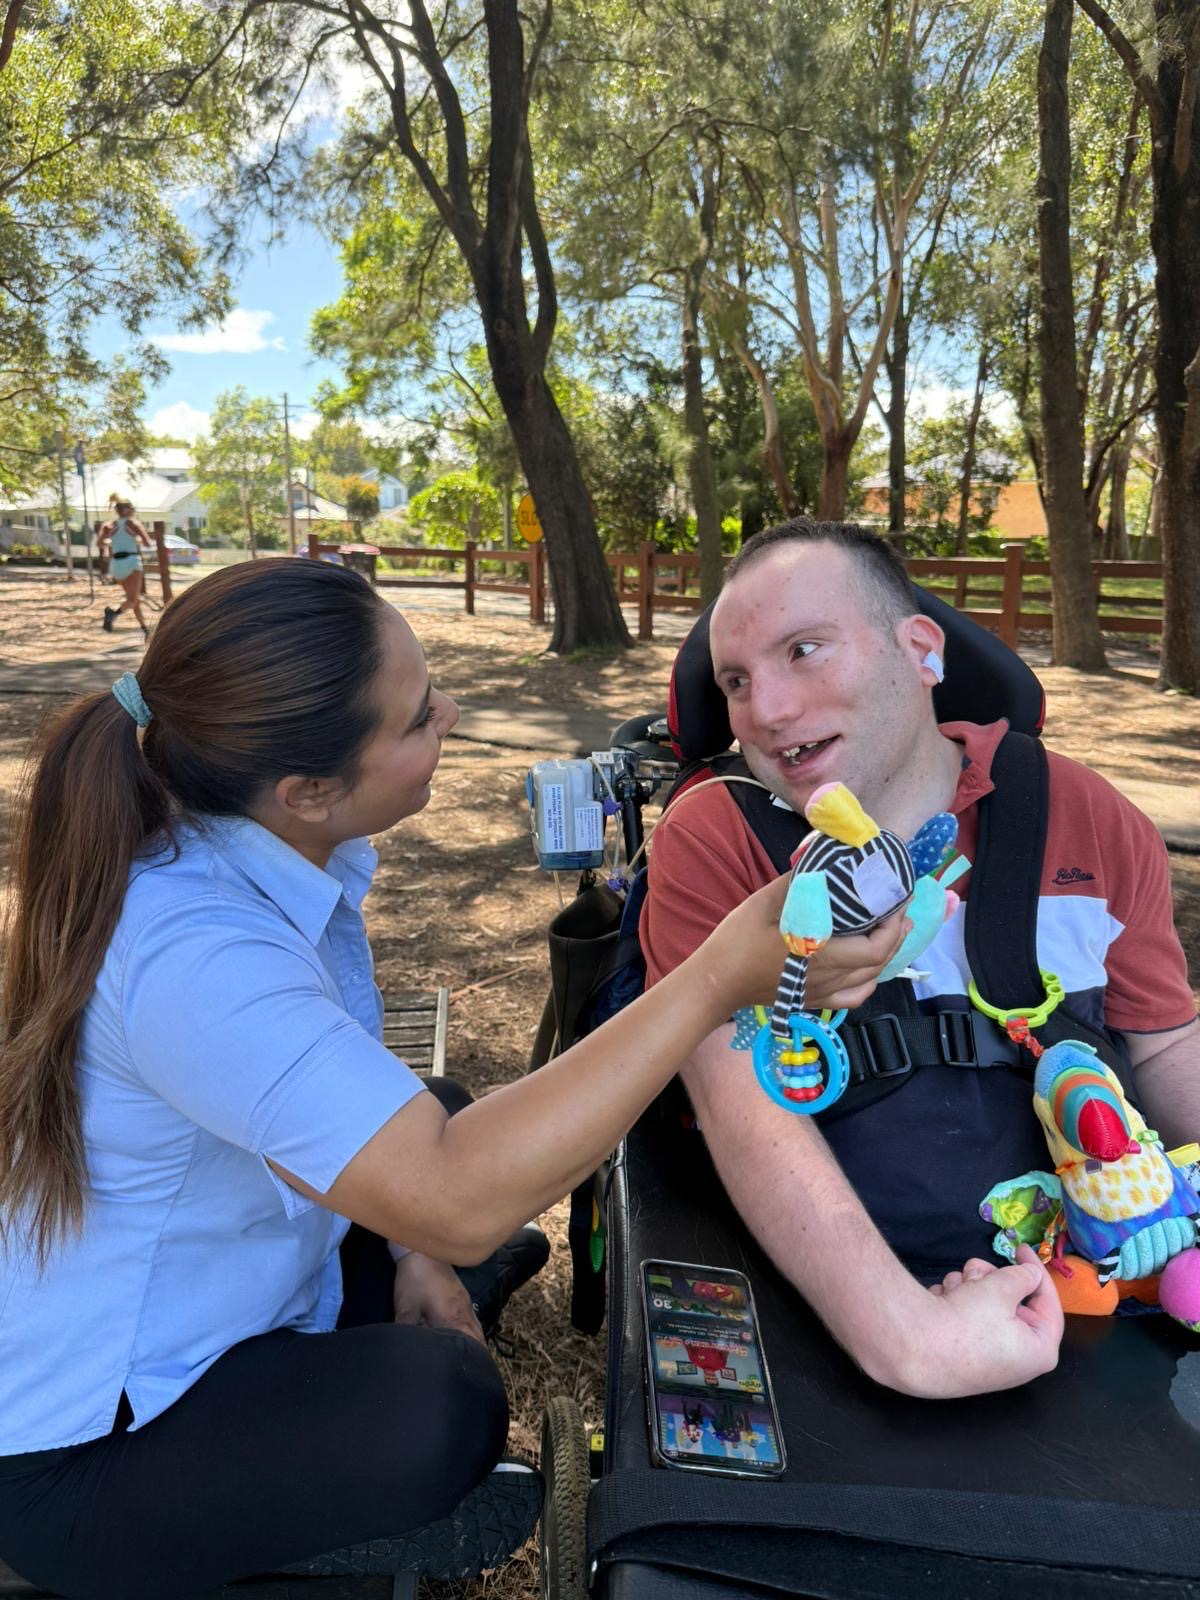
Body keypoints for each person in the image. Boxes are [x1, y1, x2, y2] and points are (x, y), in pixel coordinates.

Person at [0, 559, 791, 1600]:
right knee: (443, 1401)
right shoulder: (196, 953)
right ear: (309, 789)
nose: (450, 715)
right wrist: (710, 983)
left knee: (446, 1118)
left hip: (230, 1289)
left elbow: (390, 1124)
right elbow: (456, 1194)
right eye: (420, 716)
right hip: (92, 1448)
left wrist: (418, 1253)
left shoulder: (253, 847)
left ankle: (403, 1288)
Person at [640, 517, 1199, 1402]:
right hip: (848, 1302)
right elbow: (738, 1098)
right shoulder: (717, 836)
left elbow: (1165, 1044)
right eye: (736, 682)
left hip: (1105, 1268)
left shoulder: (1088, 815)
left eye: (805, 650)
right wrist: (907, 1335)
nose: (767, 712)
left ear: (923, 650)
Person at [97, 496, 154, 639]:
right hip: (131, 562)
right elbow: (147, 543)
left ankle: (145, 629)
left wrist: (112, 542)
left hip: (116, 565)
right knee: (133, 600)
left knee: (133, 600)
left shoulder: (109, 526)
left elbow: (99, 543)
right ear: (128, 510)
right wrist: (136, 539)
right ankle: (113, 613)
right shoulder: (133, 524)